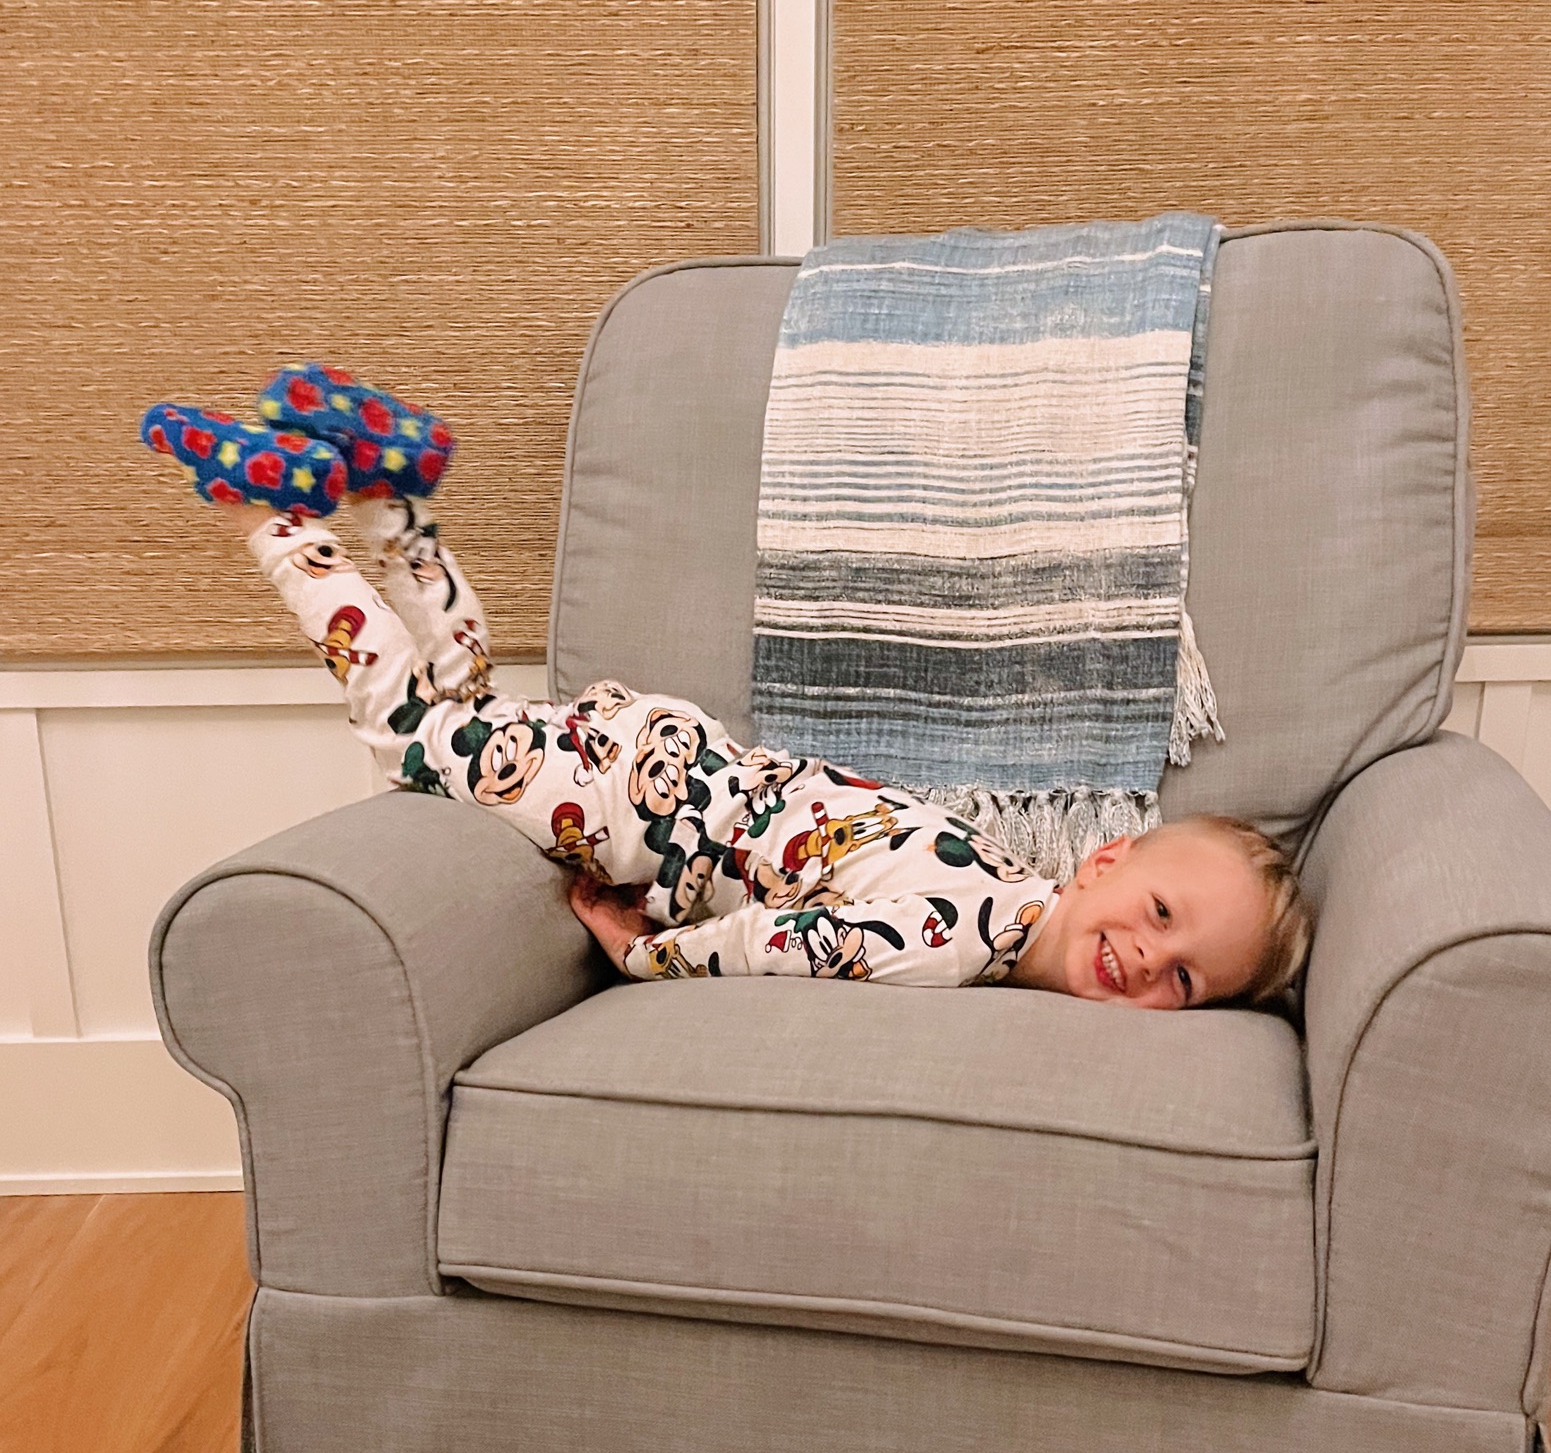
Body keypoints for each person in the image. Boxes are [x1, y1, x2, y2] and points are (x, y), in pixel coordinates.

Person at [142, 372, 1312, 1009]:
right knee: (412, 733)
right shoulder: (956, 940)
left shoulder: (1001, 871)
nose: (1146, 959)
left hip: (671, 755)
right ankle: (279, 513)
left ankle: (394, 497)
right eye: (1163, 916)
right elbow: (783, 944)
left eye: (1186, 979)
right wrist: (645, 952)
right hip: (632, 811)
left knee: (470, 707)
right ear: (1108, 859)